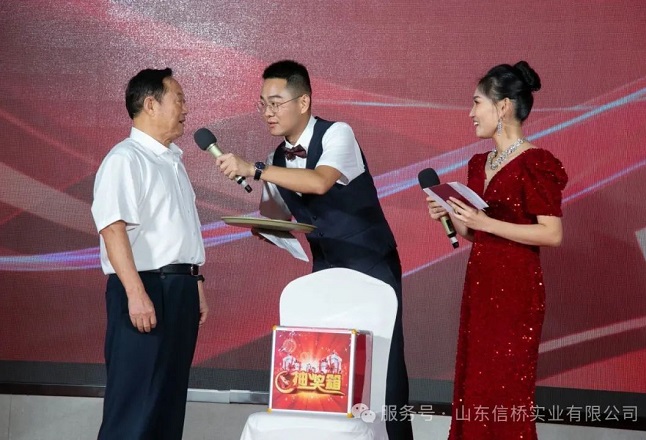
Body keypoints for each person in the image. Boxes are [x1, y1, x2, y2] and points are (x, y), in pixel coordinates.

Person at [216, 60, 413, 439]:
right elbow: (277, 216)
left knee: (382, 371)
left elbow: (321, 181)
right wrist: (266, 228)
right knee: (325, 367)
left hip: (370, 263)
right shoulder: (276, 158)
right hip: (324, 270)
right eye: (262, 104)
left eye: (276, 103)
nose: (268, 112)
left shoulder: (338, 133)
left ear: (303, 101)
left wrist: (254, 169)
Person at [426, 61, 568, 439]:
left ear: (502, 107)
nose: (471, 113)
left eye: (477, 103)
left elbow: (551, 233)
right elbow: (476, 234)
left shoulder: (536, 163)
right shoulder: (479, 164)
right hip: (481, 285)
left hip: (517, 290)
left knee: (505, 386)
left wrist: (486, 223)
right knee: (475, 380)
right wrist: (452, 214)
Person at [91, 68, 208, 440]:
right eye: (179, 100)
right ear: (151, 104)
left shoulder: (172, 160)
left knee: (166, 404)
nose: (186, 109)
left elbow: (178, 231)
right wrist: (135, 293)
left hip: (179, 288)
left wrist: (195, 281)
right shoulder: (126, 158)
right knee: (134, 406)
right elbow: (113, 228)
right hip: (145, 289)